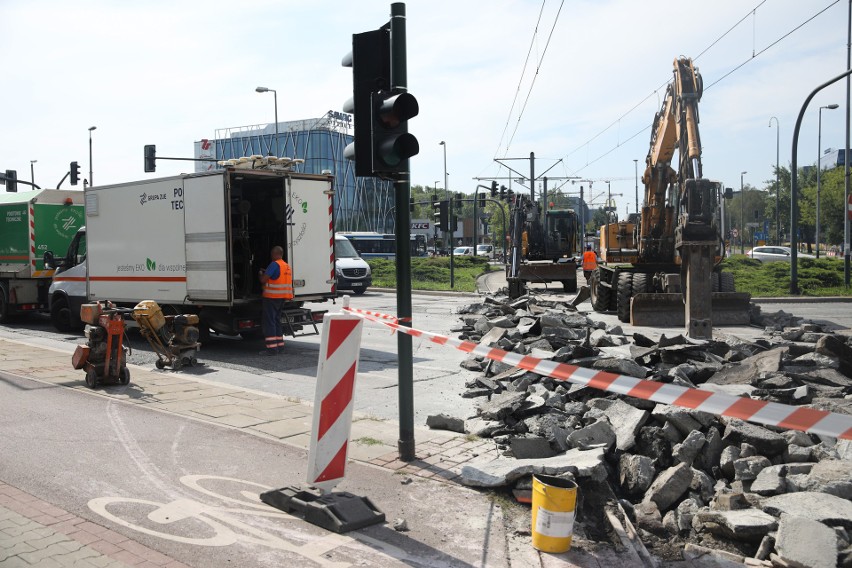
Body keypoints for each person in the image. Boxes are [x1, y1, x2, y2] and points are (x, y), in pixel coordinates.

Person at [258, 245, 293, 356]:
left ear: (274, 254)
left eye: (272, 254)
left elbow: (263, 280)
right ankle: (280, 346)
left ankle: (272, 349)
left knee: (270, 322)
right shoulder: (286, 265)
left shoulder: (274, 264)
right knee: (277, 321)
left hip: (271, 298)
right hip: (282, 298)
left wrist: (260, 274)